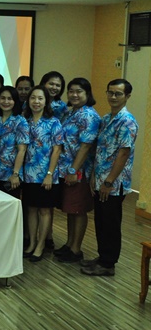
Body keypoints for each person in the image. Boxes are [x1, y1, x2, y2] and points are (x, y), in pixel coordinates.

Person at [81, 79, 137, 276]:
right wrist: (94, 177)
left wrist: (108, 181)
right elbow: (100, 151)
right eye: (110, 92)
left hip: (113, 183)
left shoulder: (127, 121)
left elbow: (123, 153)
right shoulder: (106, 119)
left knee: (111, 223)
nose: (113, 97)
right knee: (101, 221)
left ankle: (108, 264)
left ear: (127, 96)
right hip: (100, 179)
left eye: (118, 94)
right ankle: (102, 257)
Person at [54, 78, 100, 264]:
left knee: (79, 209)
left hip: (80, 171)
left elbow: (86, 146)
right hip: (66, 169)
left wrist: (74, 170)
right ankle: (69, 244)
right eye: (71, 91)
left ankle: (76, 249)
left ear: (87, 93)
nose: (74, 94)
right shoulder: (71, 112)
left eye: (79, 91)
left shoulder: (89, 115)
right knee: (70, 208)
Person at [22, 86, 63, 262]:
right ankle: (32, 243)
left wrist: (49, 173)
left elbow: (57, 150)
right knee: (31, 209)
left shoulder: (54, 122)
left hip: (46, 174)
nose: (36, 102)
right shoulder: (24, 121)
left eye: (40, 98)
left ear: (46, 101)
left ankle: (40, 245)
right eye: (33, 98)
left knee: (45, 210)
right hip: (28, 174)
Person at [0, 86, 29, 198]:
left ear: (15, 101)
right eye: (3, 98)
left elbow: (22, 150)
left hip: (10, 175)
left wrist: (15, 174)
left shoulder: (20, 121)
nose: (6, 102)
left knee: (8, 205)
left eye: (10, 99)